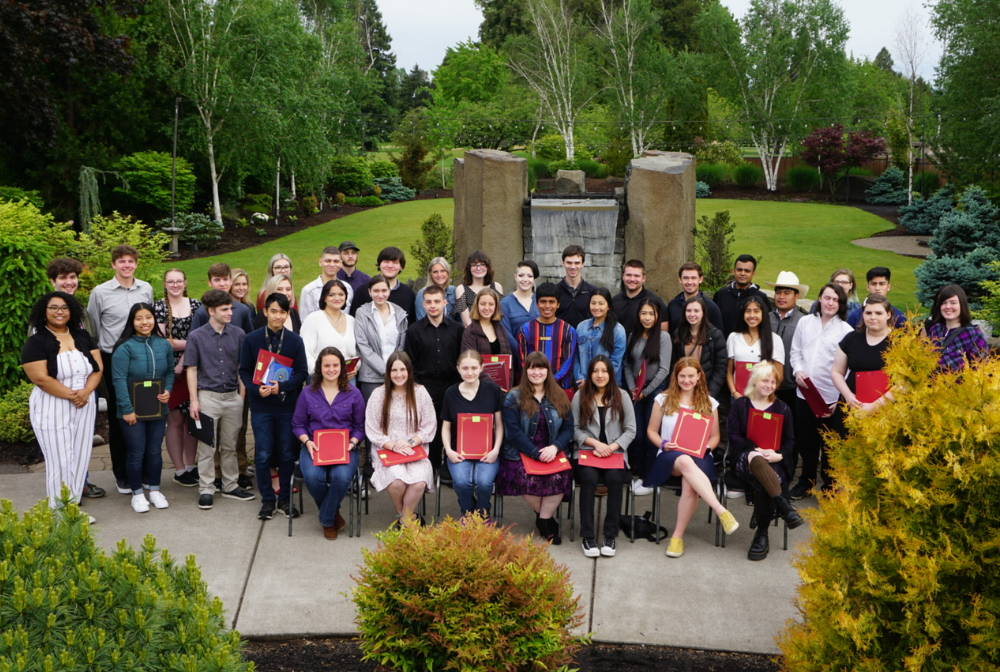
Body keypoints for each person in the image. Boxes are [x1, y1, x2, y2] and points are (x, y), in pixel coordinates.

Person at [642, 357, 740, 558]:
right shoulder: (663, 399)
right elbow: (651, 431)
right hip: (670, 455)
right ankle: (721, 511)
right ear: (675, 377)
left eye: (690, 376)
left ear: (698, 377)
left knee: (689, 484)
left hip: (700, 454)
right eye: (682, 376)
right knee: (685, 461)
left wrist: (705, 448)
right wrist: (662, 443)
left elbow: (715, 437)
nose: (686, 380)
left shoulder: (710, 403)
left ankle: (677, 538)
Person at [21, 292, 103, 510]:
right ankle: (59, 515)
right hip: (52, 405)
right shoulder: (36, 342)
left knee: (79, 458)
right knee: (60, 461)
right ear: (44, 311)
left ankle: (73, 510)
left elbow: (97, 367)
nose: (59, 312)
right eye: (54, 307)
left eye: (64, 307)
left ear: (72, 311)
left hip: (84, 404)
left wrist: (85, 392)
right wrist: (73, 395)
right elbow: (40, 378)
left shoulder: (82, 336)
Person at [87, 244, 153, 495]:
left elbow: (148, 321)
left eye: (131, 261)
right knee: (119, 416)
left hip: (142, 357)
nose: (127, 265)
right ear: (113, 264)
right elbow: (93, 329)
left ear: (136, 263)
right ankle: (122, 474)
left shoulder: (145, 288)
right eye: (121, 261)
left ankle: (145, 470)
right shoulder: (100, 292)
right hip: (113, 359)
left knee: (144, 413)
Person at [239, 293, 309, 521]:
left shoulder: (295, 341)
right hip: (261, 406)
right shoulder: (251, 339)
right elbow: (245, 371)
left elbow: (302, 373)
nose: (277, 316)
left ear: (288, 314)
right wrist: (254, 388)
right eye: (273, 311)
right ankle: (267, 500)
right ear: (265, 312)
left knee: (287, 454)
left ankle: (285, 499)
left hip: (286, 406)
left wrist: (283, 387)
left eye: (282, 312)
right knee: (263, 454)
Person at [726, 361, 803, 561]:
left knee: (768, 478)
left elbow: (790, 441)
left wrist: (780, 455)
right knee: (755, 457)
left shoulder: (783, 408)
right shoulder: (740, 405)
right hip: (745, 456)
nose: (769, 385)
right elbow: (734, 437)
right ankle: (783, 507)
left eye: (773, 382)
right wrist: (755, 449)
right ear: (755, 381)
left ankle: (762, 533)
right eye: (765, 380)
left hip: (774, 459)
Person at [185, 289, 255, 509]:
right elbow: (191, 369)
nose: (230, 313)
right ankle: (206, 489)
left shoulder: (238, 334)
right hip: (207, 397)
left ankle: (231, 485)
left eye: (230, 309)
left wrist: (241, 396)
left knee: (230, 445)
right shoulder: (196, 336)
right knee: (206, 447)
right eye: (224, 309)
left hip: (232, 397)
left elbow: (241, 368)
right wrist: (194, 400)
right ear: (211, 310)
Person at [498, 352, 574, 544]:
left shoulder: (559, 395)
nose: (536, 372)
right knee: (523, 478)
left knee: (560, 477)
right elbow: (513, 432)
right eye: (532, 367)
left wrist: (555, 448)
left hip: (552, 451)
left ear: (548, 371)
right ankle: (546, 519)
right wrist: (534, 453)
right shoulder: (513, 396)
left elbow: (568, 429)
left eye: (541, 368)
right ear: (526, 370)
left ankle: (543, 519)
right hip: (520, 452)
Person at [45, 257, 103, 499]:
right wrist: (68, 392)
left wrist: (88, 389)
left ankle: (82, 482)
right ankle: (63, 492)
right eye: (63, 278)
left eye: (72, 277)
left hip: (86, 383)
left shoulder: (81, 311)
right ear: (52, 281)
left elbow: (92, 343)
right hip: (59, 386)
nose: (69, 282)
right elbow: (38, 355)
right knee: (62, 439)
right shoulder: (44, 311)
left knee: (82, 436)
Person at [292, 347, 366, 539]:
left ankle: (326, 519)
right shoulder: (307, 393)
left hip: (345, 448)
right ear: (319, 368)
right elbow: (298, 424)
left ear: (342, 367)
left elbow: (360, 427)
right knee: (314, 477)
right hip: (313, 447)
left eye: (335, 365)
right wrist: (307, 441)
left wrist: (353, 442)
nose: (331, 369)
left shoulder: (354, 394)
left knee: (341, 478)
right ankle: (334, 515)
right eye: (327, 365)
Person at [788, 283, 853, 499]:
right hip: (805, 394)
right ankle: (806, 482)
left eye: (836, 300)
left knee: (829, 446)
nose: (830, 303)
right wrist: (797, 371)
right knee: (805, 442)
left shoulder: (846, 331)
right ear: (819, 298)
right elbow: (795, 352)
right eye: (827, 298)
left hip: (830, 397)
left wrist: (841, 398)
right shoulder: (805, 322)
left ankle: (829, 486)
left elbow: (849, 368)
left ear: (841, 304)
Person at [111, 303, 174, 513]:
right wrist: (127, 409)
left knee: (155, 451)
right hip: (131, 412)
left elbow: (169, 373)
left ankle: (154, 490)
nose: (144, 322)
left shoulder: (163, 344)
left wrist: (167, 390)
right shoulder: (124, 348)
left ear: (154, 319)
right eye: (139, 318)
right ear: (132, 322)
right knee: (136, 453)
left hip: (157, 409)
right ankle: (137, 494)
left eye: (148, 317)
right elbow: (119, 381)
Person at [571, 355, 636, 558]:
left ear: (610, 373)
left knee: (615, 479)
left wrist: (612, 446)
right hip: (587, 452)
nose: (600, 375)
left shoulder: (622, 395)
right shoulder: (580, 395)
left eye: (604, 371)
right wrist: (596, 444)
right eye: (596, 371)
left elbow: (631, 430)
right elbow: (573, 429)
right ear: (590, 373)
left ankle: (610, 535)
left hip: (614, 452)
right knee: (588, 478)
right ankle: (588, 536)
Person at [364, 351, 436, 525]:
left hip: (414, 448)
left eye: (402, 369)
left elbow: (429, 425)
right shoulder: (378, 394)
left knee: (419, 482)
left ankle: (404, 520)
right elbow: (372, 429)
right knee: (397, 483)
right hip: (386, 448)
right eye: (394, 370)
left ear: (409, 371)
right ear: (388, 373)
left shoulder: (420, 392)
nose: (398, 374)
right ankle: (405, 516)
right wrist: (393, 446)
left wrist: (411, 442)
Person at [404, 284, 465, 471]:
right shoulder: (414, 330)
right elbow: (410, 363)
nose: (433, 306)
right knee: (429, 429)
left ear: (445, 302)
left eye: (437, 301)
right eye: (428, 302)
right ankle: (429, 469)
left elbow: (461, 360)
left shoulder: (457, 329)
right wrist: (417, 389)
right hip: (425, 388)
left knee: (451, 427)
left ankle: (449, 468)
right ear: (423, 303)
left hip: (451, 386)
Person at [440, 350, 506, 518]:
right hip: (458, 451)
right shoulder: (450, 393)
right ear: (458, 369)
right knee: (462, 482)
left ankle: (483, 514)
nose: (469, 372)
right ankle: (468, 513)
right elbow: (446, 427)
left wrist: (496, 450)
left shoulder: (493, 390)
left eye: (474, 368)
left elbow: (499, 424)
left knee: (484, 483)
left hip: (488, 451)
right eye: (465, 368)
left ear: (482, 368)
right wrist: (448, 450)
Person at [153, 269, 202, 488]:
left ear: (185, 282)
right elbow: (166, 342)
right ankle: (179, 468)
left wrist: (185, 358)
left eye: (179, 281)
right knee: (174, 420)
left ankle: (191, 465)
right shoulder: (159, 307)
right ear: (164, 283)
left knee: (192, 418)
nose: (175, 285)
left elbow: (202, 336)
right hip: (169, 369)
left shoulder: (196, 305)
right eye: (171, 281)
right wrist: (188, 349)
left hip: (193, 368)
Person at [623, 299, 673, 488]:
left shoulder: (663, 337)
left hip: (655, 390)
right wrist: (632, 388)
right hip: (635, 389)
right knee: (638, 435)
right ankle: (641, 474)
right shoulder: (632, 336)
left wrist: (646, 391)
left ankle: (651, 478)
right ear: (638, 315)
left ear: (657, 316)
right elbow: (627, 365)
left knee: (652, 436)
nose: (647, 317)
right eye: (644, 313)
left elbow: (664, 369)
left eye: (651, 314)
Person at [832, 293, 895, 415]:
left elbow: (904, 383)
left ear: (888, 314)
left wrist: (874, 406)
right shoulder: (851, 338)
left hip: (886, 410)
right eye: (868, 313)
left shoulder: (900, 342)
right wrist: (848, 396)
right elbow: (837, 371)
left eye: (878, 313)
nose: (872, 317)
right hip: (853, 405)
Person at [355, 275, 409, 402]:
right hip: (371, 377)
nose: (380, 294)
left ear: (389, 291)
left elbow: (401, 346)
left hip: (397, 375)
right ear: (369, 292)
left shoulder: (399, 313)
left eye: (384, 290)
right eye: (376, 291)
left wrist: (395, 370)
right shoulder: (362, 313)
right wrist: (385, 371)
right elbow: (363, 345)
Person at [763, 271, 808, 418]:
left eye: (787, 293)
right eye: (778, 292)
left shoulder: (804, 322)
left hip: (792, 387)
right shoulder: (764, 319)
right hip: (764, 385)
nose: (781, 297)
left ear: (796, 296)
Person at [518, 282, 577, 390]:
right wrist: (537, 380)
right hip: (533, 387)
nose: (547, 306)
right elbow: (524, 362)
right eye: (543, 302)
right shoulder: (525, 330)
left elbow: (568, 362)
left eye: (551, 302)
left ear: (558, 304)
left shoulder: (568, 330)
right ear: (536, 303)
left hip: (560, 387)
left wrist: (552, 380)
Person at [726, 295, 784, 399]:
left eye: (756, 311)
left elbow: (779, 376)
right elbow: (729, 371)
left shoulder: (774, 339)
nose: (752, 315)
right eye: (748, 311)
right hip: (738, 397)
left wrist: (765, 395)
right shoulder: (733, 337)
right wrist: (734, 393)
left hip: (763, 398)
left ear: (763, 313)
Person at [673, 296, 728, 399]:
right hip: (683, 389)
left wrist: (710, 394)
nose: (692, 314)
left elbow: (720, 368)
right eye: (689, 311)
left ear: (703, 313)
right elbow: (674, 364)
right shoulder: (678, 334)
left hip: (706, 391)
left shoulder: (715, 335)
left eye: (696, 311)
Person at [300, 279, 358, 377]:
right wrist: (320, 372)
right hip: (320, 380)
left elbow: (357, 351)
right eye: (331, 295)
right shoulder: (313, 319)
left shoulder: (352, 320)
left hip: (348, 379)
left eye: (341, 294)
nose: (337, 298)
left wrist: (356, 366)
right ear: (324, 298)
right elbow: (306, 352)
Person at [926, 284, 988, 370]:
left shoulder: (973, 335)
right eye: (943, 303)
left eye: (953, 303)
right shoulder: (935, 330)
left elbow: (982, 372)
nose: (948, 307)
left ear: (962, 305)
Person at [574, 287, 627, 387]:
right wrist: (580, 378)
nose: (596, 307)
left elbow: (615, 362)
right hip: (583, 385)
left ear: (608, 306)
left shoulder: (618, 330)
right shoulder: (581, 327)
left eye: (601, 303)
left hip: (608, 386)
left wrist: (592, 380)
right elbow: (576, 357)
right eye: (593, 303)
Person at [349, 246, 417, 323]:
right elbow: (354, 321)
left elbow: (411, 324)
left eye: (395, 262)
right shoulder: (363, 291)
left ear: (401, 267)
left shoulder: (408, 294)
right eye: (386, 261)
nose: (390, 266)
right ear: (379, 264)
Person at [713, 254, 770, 337]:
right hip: (723, 347)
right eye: (739, 270)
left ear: (753, 274)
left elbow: (766, 326)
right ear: (734, 271)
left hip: (750, 347)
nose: (742, 273)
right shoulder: (721, 294)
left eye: (747, 271)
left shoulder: (761, 297)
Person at [189, 263, 255, 334]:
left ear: (231, 281)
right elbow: (193, 340)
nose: (222, 284)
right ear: (210, 283)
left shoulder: (243, 310)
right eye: (217, 280)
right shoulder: (202, 312)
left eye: (225, 279)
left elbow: (249, 340)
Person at [500, 260, 540, 373]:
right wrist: (524, 356)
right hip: (517, 362)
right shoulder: (505, 304)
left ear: (534, 279)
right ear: (515, 277)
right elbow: (506, 334)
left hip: (541, 361)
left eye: (530, 276)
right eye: (521, 275)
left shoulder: (541, 301)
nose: (525, 279)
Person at [664, 262, 724, 337]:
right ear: (680, 280)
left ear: (700, 279)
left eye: (693, 278)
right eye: (685, 278)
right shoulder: (672, 306)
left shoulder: (711, 308)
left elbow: (718, 338)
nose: (689, 282)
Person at [610, 259, 668, 335]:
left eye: (636, 276)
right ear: (623, 276)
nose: (632, 279)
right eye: (628, 275)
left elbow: (663, 334)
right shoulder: (614, 301)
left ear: (643, 278)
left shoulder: (655, 301)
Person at [300, 246, 355, 321]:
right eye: (328, 261)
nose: (332, 265)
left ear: (341, 263)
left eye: (336, 261)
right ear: (320, 262)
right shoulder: (309, 290)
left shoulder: (347, 288)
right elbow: (305, 321)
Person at [462, 287, 513, 366]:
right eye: (483, 304)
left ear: (496, 306)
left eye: (491, 304)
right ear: (477, 305)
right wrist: (486, 379)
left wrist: (509, 378)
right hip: (479, 378)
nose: (487, 308)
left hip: (502, 378)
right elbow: (469, 363)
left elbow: (508, 359)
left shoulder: (500, 329)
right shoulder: (470, 332)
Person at [453, 250, 505, 326]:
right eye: (474, 265)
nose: (478, 268)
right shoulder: (461, 289)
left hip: (493, 332)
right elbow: (467, 323)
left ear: (487, 267)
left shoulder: (497, 287)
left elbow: (498, 315)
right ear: (469, 268)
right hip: (471, 334)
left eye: (482, 264)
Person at [555, 245, 598, 328]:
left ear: (583, 264)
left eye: (577, 263)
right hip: (561, 339)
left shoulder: (593, 291)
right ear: (563, 263)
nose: (573, 267)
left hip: (585, 340)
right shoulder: (555, 291)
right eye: (569, 262)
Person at [415, 257, 457, 321]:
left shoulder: (454, 291)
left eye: (443, 271)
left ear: (448, 273)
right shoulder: (422, 294)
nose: (439, 275)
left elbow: (460, 319)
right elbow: (421, 321)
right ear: (430, 274)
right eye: (435, 272)